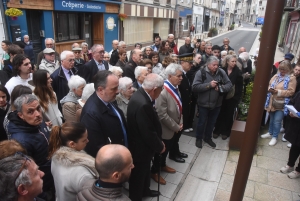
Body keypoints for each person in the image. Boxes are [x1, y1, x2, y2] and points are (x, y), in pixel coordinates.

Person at [127, 73, 165, 201]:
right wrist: (159, 146)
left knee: (144, 172)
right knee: (138, 175)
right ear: (155, 89)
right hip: (140, 149)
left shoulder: (141, 95)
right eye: (161, 89)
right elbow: (147, 132)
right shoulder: (143, 103)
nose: (161, 92)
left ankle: (145, 191)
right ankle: (137, 197)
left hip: (142, 147)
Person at [6, 94, 53, 196]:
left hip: (51, 176)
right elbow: (27, 175)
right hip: (43, 186)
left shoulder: (35, 122)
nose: (37, 114)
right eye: (30, 111)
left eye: (38, 109)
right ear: (20, 115)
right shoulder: (21, 142)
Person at [80, 70, 128, 157]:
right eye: (114, 89)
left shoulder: (108, 99)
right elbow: (96, 148)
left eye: (117, 87)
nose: (117, 91)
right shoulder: (90, 114)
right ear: (101, 90)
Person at [151, 64, 184, 185]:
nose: (181, 78)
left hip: (174, 126)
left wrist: (180, 121)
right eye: (179, 76)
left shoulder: (175, 87)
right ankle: (154, 171)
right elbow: (161, 114)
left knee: (168, 149)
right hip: (165, 129)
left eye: (182, 75)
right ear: (170, 76)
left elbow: (178, 106)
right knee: (161, 151)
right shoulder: (163, 90)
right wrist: (176, 126)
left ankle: (163, 165)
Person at [48, 122, 98, 201]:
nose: (88, 141)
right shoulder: (83, 175)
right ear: (72, 144)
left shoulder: (55, 158)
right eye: (84, 140)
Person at [193, 56, 232, 148]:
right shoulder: (201, 73)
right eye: (214, 65)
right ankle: (199, 138)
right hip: (203, 103)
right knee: (201, 122)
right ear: (208, 65)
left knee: (211, 123)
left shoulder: (221, 72)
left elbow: (229, 84)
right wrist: (209, 85)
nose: (216, 67)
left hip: (217, 104)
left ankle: (208, 138)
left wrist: (221, 88)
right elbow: (194, 87)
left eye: (217, 65)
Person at [261, 61, 296, 146]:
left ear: (288, 69)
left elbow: (291, 92)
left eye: (284, 70)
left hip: (282, 103)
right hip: (272, 101)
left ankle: (275, 137)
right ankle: (270, 132)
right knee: (272, 119)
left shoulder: (291, 78)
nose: (282, 71)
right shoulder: (276, 76)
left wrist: (278, 92)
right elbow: (269, 84)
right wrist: (270, 89)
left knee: (277, 121)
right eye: (280, 69)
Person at [213, 55, 243, 140]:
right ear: (227, 61)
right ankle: (217, 130)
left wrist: (237, 98)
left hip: (232, 97)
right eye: (232, 61)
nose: (234, 63)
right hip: (221, 96)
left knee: (229, 114)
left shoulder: (237, 72)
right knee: (220, 113)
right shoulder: (222, 70)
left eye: (235, 61)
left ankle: (225, 132)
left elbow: (240, 86)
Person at [280, 91, 300, 179]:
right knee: (294, 146)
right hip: (296, 124)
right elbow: (292, 101)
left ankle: (298, 171)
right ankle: (290, 165)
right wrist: (291, 110)